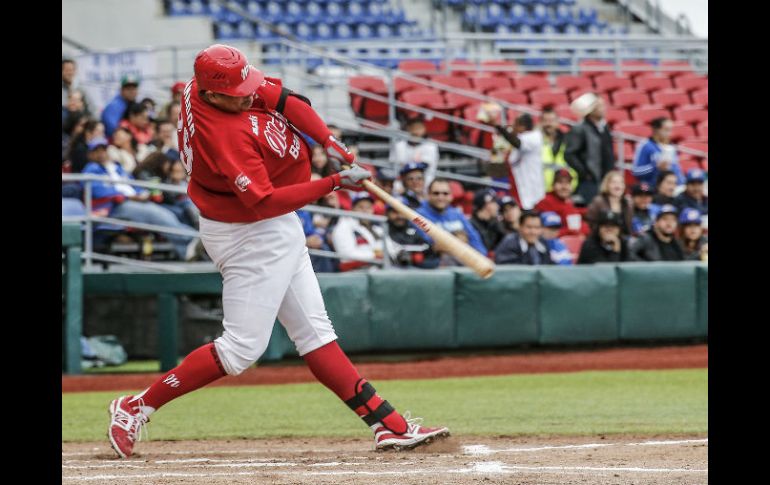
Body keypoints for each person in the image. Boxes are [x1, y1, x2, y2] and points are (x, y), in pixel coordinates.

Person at [106, 44, 448, 459]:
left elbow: (285, 100)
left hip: (270, 225)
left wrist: (329, 140)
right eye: (237, 93)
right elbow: (264, 202)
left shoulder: (206, 84)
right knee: (241, 349)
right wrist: (333, 182)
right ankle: (135, 407)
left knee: (316, 335)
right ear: (212, 94)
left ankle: (388, 425)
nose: (248, 95)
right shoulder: (224, 134)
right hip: (248, 233)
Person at [81, 137, 197, 260]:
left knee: (168, 212)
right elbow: (97, 191)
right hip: (114, 207)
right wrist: (129, 196)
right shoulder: (90, 169)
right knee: (155, 214)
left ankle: (189, 247)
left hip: (133, 202)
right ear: (90, 154)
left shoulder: (116, 167)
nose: (101, 154)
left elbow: (133, 184)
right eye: (96, 151)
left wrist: (142, 193)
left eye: (103, 150)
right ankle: (190, 240)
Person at [564, 92, 616, 205]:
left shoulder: (604, 128)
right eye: (599, 106)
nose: (603, 109)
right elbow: (569, 154)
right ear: (591, 109)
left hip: (604, 179)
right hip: (589, 182)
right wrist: (585, 173)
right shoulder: (580, 129)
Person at [415, 178, 487, 256]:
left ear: (451, 196)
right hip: (435, 259)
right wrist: (457, 239)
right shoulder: (418, 215)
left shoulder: (456, 213)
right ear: (428, 195)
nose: (440, 197)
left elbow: (474, 238)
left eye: (445, 193)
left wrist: (482, 257)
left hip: (462, 258)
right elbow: (431, 243)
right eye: (436, 193)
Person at [490, 113, 545, 210]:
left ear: (522, 127)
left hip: (530, 183)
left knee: (530, 207)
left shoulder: (534, 136)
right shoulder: (521, 136)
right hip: (517, 180)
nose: (513, 127)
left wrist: (498, 126)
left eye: (515, 125)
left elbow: (517, 143)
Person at [331, 192, 384, 272]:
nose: (365, 211)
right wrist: (374, 255)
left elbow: (390, 250)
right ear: (353, 209)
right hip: (356, 273)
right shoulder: (344, 226)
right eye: (361, 207)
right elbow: (346, 257)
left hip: (378, 270)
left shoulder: (378, 229)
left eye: (369, 207)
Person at [535, 168, 590, 237]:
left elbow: (578, 224)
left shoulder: (568, 201)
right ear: (553, 185)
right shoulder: (546, 201)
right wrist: (573, 231)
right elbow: (549, 233)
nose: (564, 187)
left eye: (568, 183)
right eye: (560, 182)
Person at [632, 117, 684, 187]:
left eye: (670, 130)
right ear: (656, 129)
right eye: (666, 130)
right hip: (651, 188)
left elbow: (677, 170)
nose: (670, 133)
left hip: (671, 188)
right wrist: (655, 167)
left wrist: (682, 184)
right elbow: (637, 171)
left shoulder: (672, 148)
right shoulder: (645, 145)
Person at [384, 203, 438, 268]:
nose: (400, 216)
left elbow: (430, 254)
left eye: (402, 212)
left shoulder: (415, 231)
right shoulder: (380, 231)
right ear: (387, 213)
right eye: (395, 212)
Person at [390, 116, 439, 186]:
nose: (416, 131)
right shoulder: (399, 145)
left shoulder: (431, 146)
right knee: (396, 185)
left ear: (424, 129)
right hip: (403, 180)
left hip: (426, 180)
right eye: (413, 128)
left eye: (419, 128)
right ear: (408, 129)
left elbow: (425, 165)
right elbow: (394, 165)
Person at [540, 106, 577, 193]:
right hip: (540, 192)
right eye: (545, 121)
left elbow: (574, 167)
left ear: (557, 122)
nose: (548, 124)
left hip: (563, 192)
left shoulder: (568, 141)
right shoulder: (535, 142)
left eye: (551, 120)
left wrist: (571, 186)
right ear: (541, 123)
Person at [584, 170, 633, 236]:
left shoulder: (627, 203)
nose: (618, 185)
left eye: (621, 183)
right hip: (600, 237)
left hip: (623, 238)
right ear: (607, 185)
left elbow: (628, 227)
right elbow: (590, 224)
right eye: (614, 182)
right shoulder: (598, 202)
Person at [470, 188, 506, 253]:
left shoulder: (494, 224)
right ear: (485, 205)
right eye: (494, 202)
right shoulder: (470, 226)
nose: (497, 206)